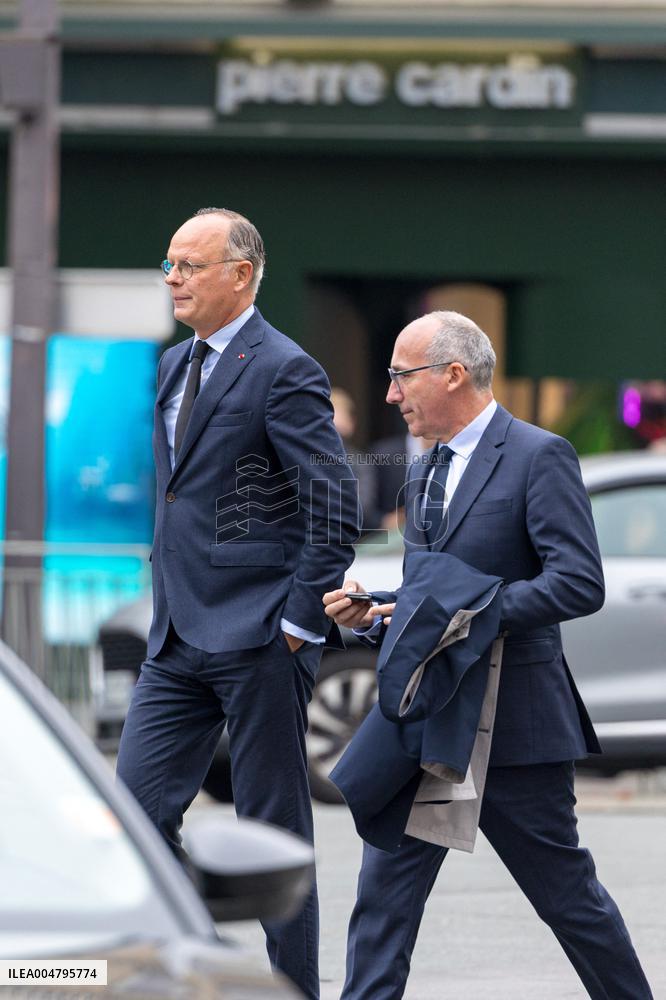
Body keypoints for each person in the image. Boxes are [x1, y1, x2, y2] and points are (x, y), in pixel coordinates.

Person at [323, 310, 653, 1000]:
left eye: (399, 376)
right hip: (424, 718)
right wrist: (383, 613)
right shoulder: (423, 469)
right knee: (382, 904)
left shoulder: (539, 455)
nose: (390, 394)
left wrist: (466, 618)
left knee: (568, 900)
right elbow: (433, 593)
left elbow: (577, 582)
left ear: (452, 373)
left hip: (514, 723)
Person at [116, 207, 357, 1000]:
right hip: (177, 636)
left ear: (240, 274)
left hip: (259, 638)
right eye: (169, 262)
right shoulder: (170, 364)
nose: (172, 277)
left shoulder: (284, 368)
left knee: (274, 835)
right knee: (134, 817)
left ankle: (295, 990)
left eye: (189, 265)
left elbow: (332, 506)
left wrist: (295, 623)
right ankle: (172, 970)